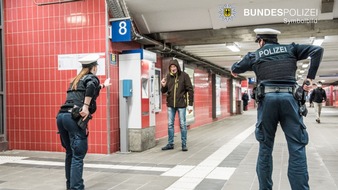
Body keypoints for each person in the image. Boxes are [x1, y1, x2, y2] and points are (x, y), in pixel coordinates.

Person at [231, 28, 323, 190]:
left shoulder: (255, 55)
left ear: (261, 41)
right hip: (290, 100)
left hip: (267, 101)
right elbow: (317, 50)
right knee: (297, 148)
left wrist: (238, 67)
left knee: (265, 148)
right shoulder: (291, 49)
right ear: (275, 40)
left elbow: (234, 69)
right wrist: (309, 79)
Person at [56, 54, 111, 190]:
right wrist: (86, 107)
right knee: (78, 154)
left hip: (62, 116)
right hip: (73, 118)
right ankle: (76, 187)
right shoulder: (92, 78)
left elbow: (86, 89)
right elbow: (91, 86)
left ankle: (70, 186)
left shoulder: (76, 79)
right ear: (93, 67)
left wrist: (104, 85)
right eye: (96, 66)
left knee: (70, 152)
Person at [161, 59, 194, 151]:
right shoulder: (168, 77)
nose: (173, 68)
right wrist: (163, 85)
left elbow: (190, 90)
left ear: (177, 67)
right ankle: (170, 143)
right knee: (170, 124)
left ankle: (184, 144)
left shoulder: (184, 76)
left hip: (181, 104)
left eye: (174, 66)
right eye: (171, 67)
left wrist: (190, 104)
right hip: (171, 104)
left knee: (183, 124)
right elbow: (164, 91)